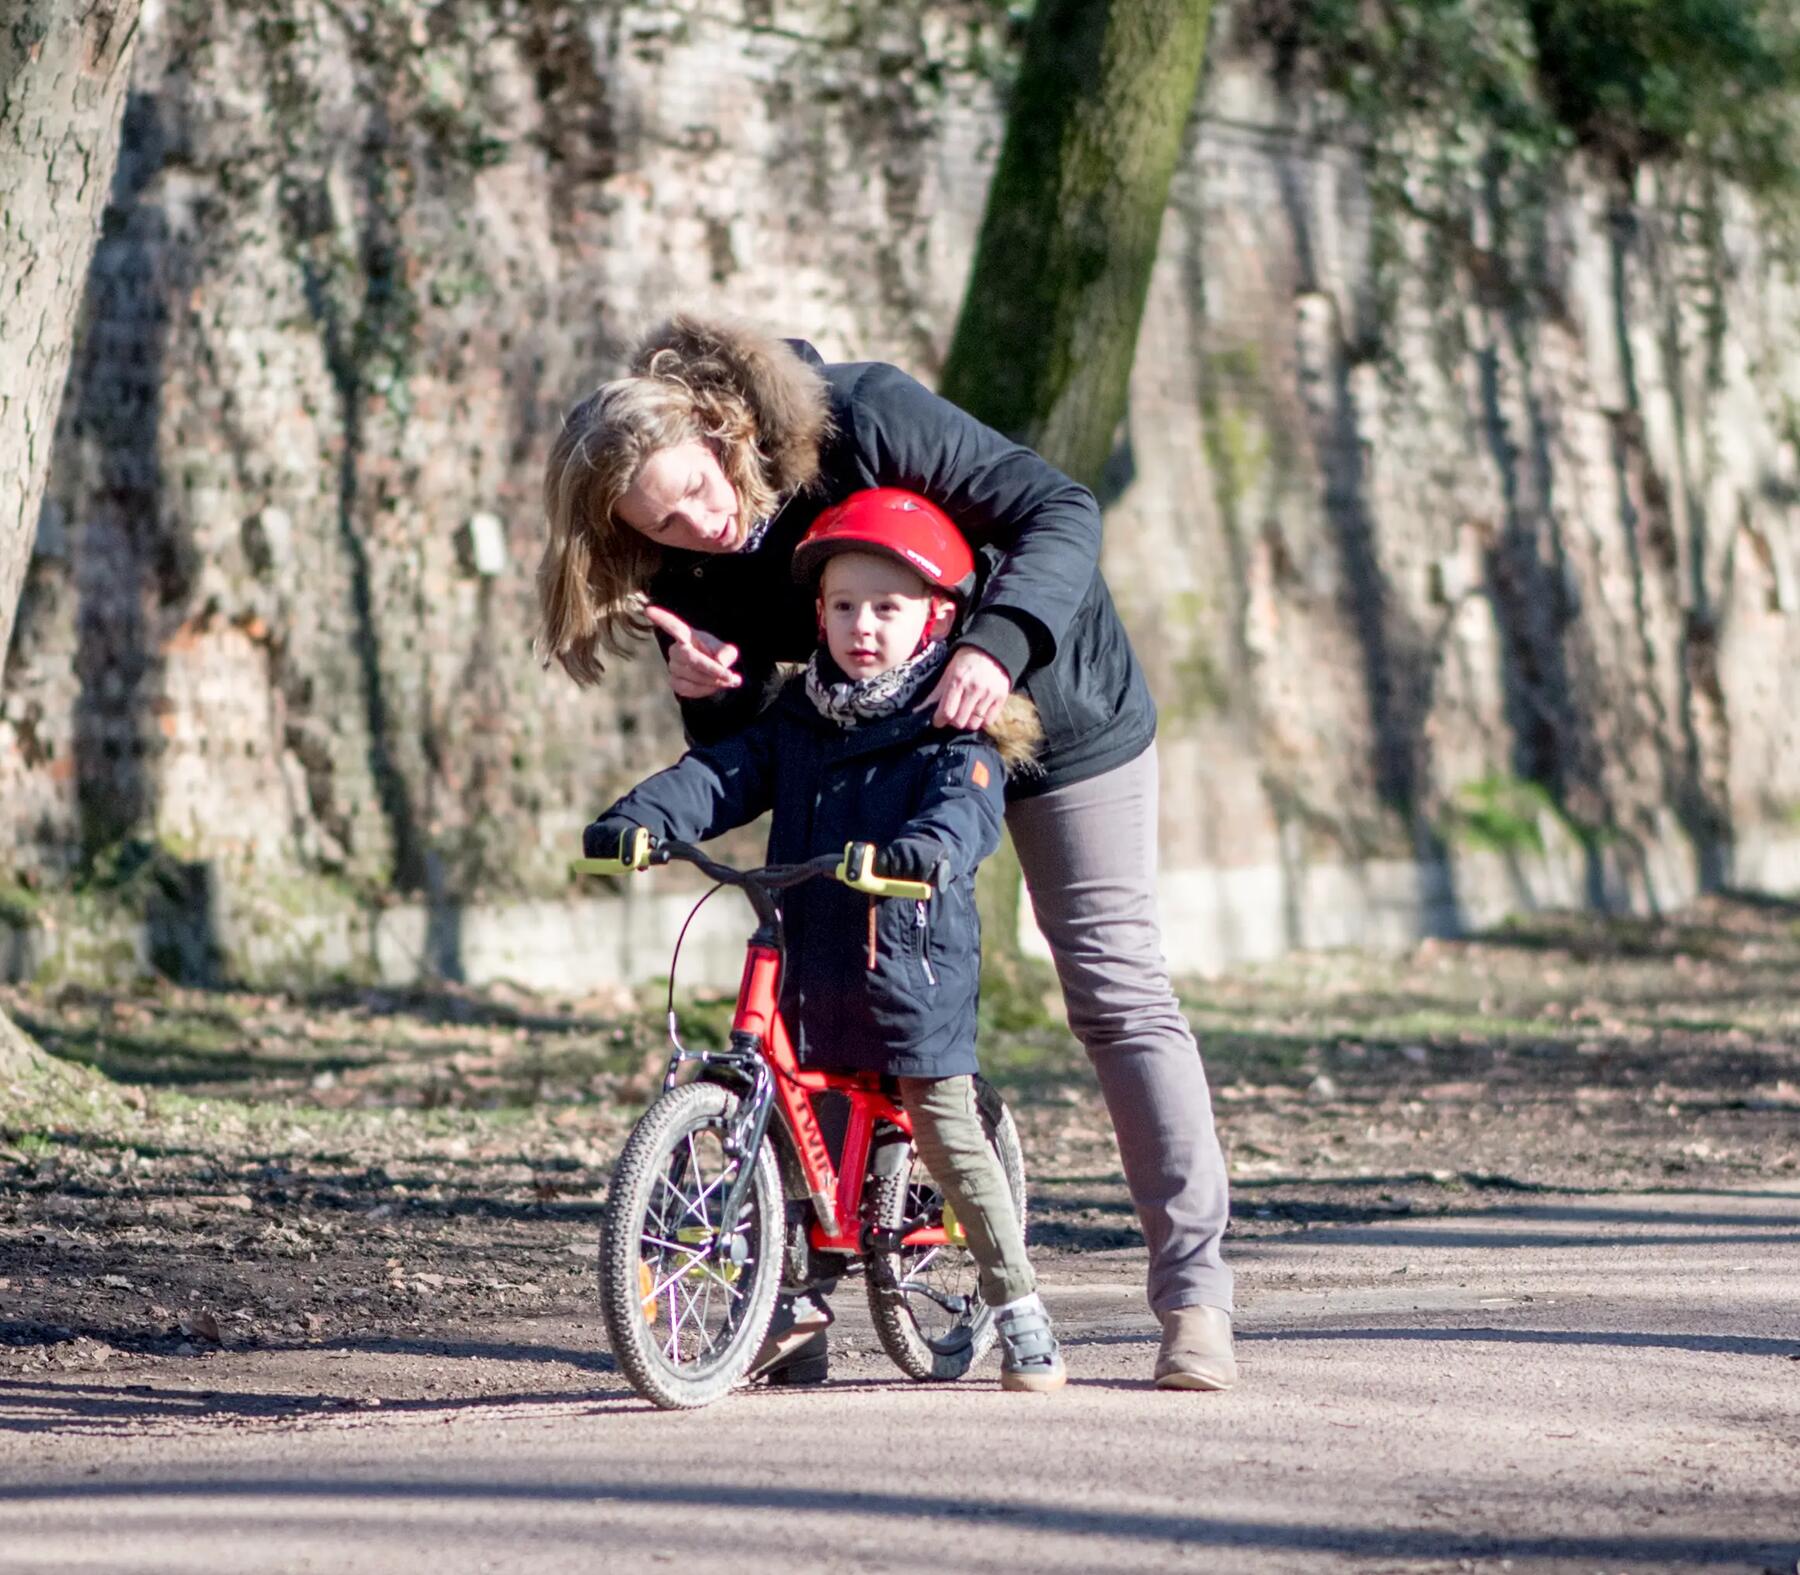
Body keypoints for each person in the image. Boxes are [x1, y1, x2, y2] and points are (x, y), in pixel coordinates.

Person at [538, 313, 1236, 1392]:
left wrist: (998, 650)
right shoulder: (683, 565)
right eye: (662, 523)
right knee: (814, 995)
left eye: (699, 489)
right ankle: (792, 1300)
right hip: (873, 745)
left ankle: (1194, 1301)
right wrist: (714, 701)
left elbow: (1061, 508)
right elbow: (752, 754)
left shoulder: (861, 418)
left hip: (1056, 707)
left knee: (1110, 984)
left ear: (721, 430)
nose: (700, 525)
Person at [584, 489, 1066, 1393]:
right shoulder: (803, 713)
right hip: (811, 955)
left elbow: (965, 808)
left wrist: (922, 850)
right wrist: (642, 818)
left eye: (888, 608)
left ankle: (1017, 1303)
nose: (863, 627)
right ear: (818, 615)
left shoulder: (949, 723)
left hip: (907, 963)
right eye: (843, 607)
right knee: (783, 1113)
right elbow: (724, 774)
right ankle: (791, 1309)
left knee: (942, 1119)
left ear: (938, 617)